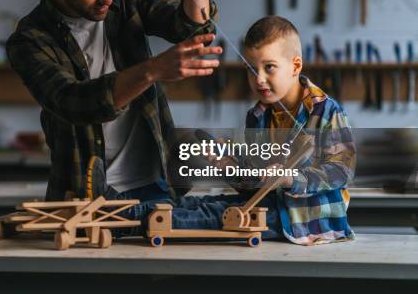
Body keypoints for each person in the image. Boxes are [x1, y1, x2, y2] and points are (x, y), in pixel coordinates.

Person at [6, 0, 222, 202]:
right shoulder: (30, 38)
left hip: (157, 185)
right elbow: (74, 102)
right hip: (84, 196)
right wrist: (152, 71)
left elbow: (181, 25)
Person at [128, 16, 357, 245]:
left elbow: (341, 171)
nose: (259, 79)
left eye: (269, 67)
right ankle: (118, 210)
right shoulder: (257, 116)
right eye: (251, 69)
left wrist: (291, 178)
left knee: (210, 217)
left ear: (295, 66)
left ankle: (129, 221)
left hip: (302, 219)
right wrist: (228, 165)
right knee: (199, 204)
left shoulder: (327, 111)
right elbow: (252, 186)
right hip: (265, 207)